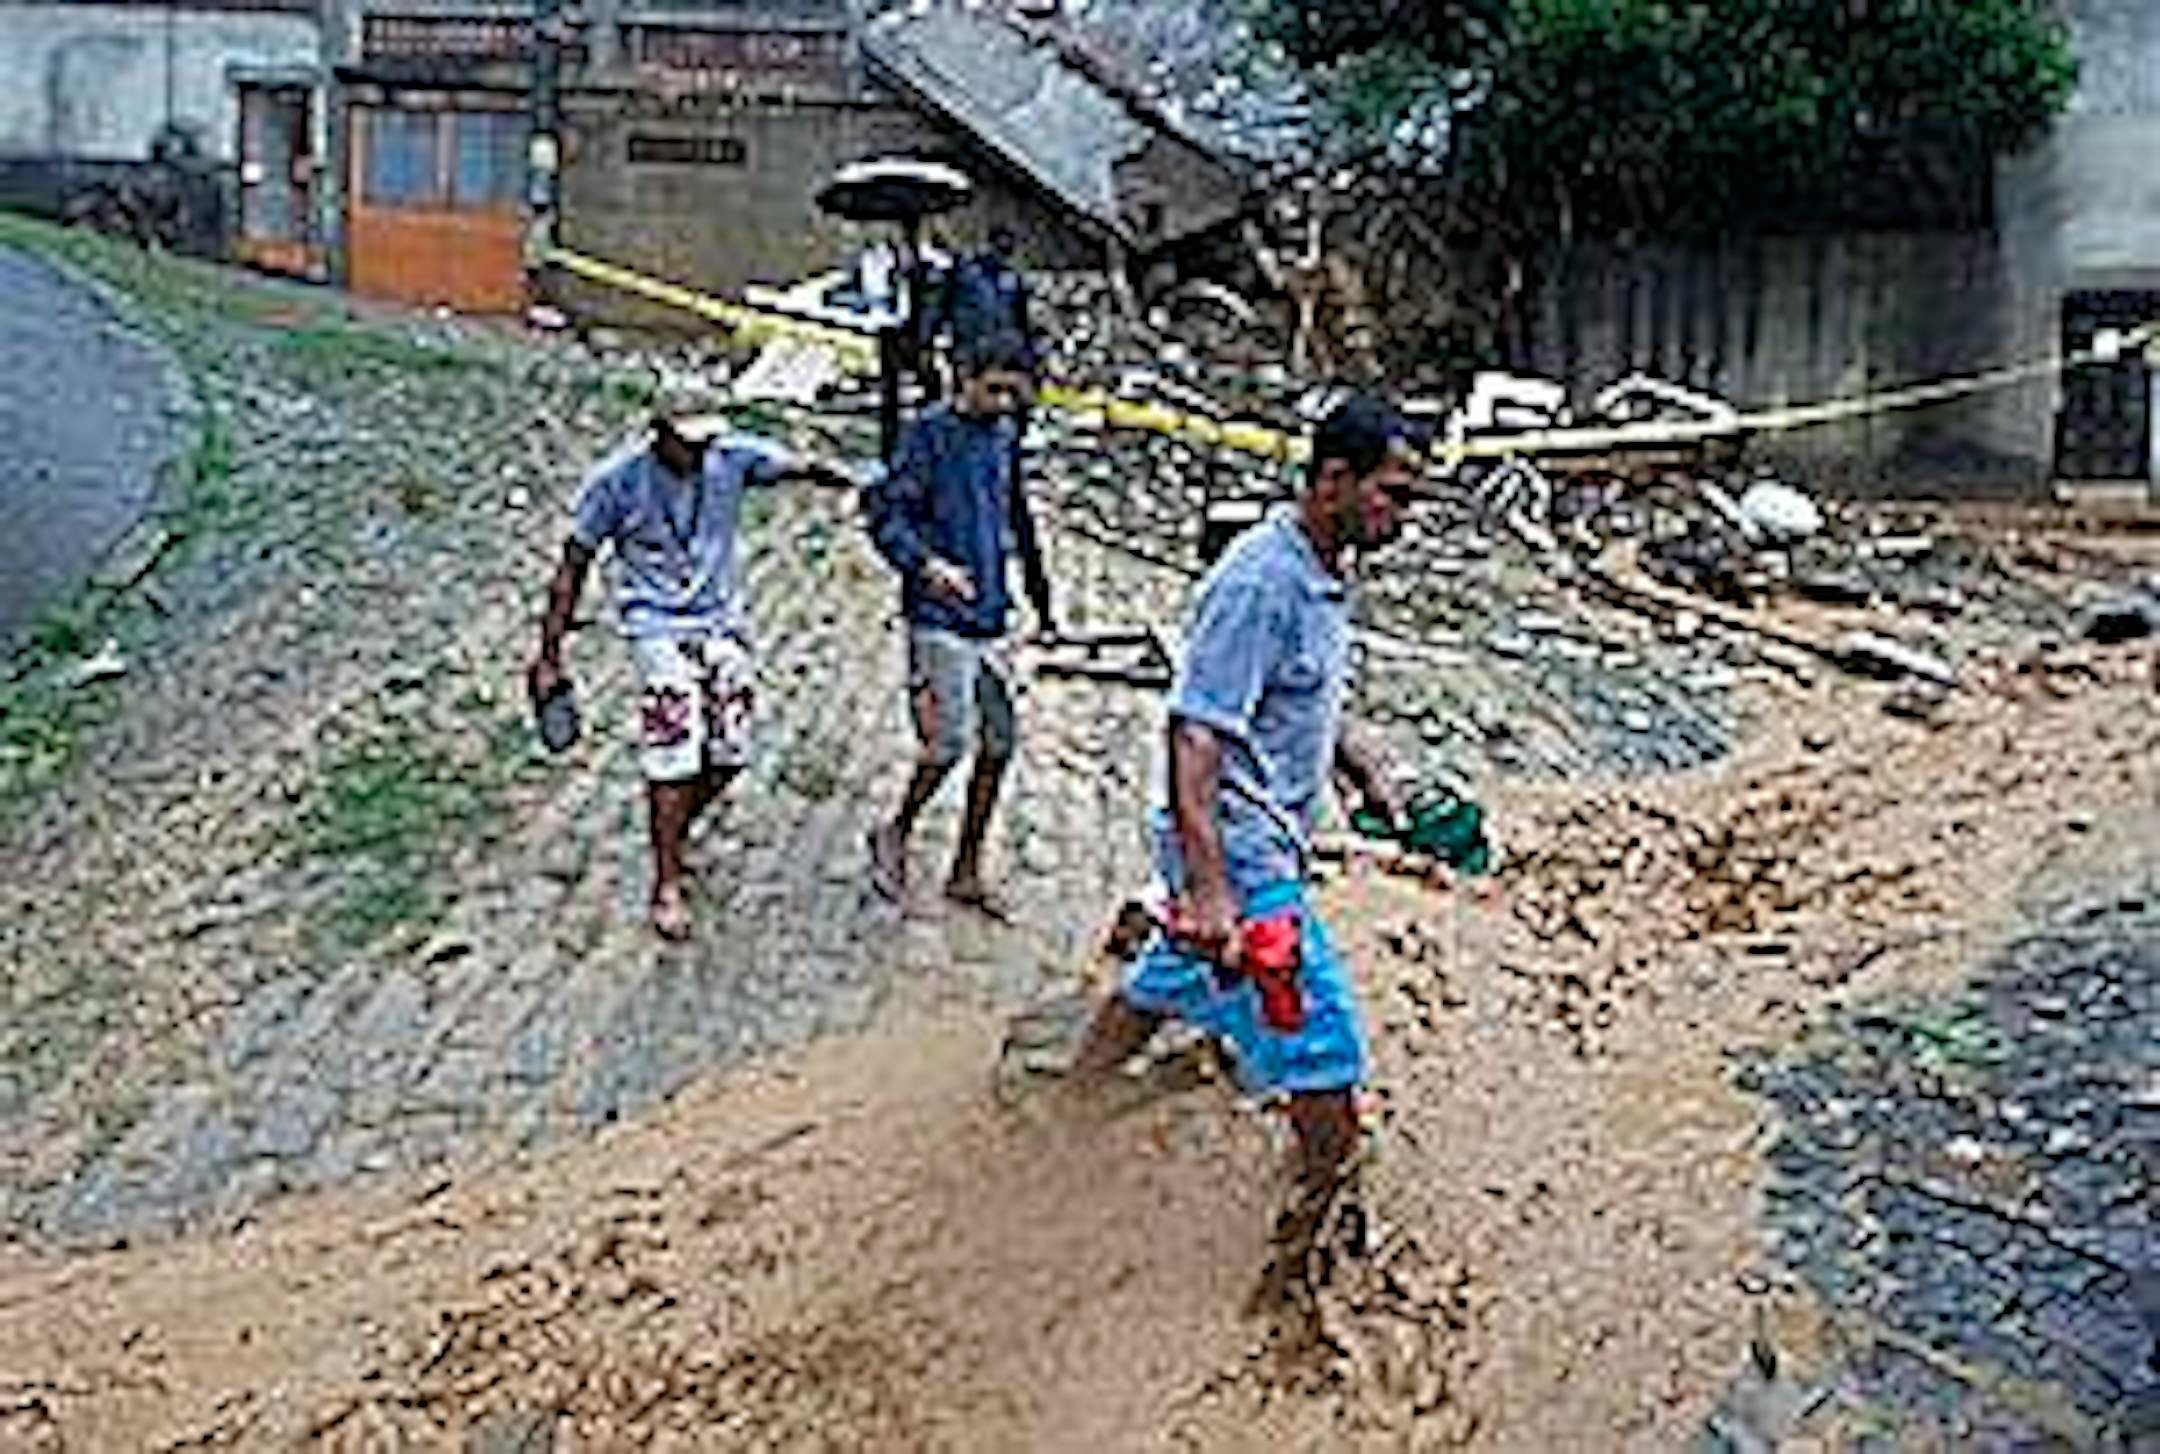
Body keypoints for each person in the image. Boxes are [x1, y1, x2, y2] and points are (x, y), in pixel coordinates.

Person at [1066, 394, 1420, 1208]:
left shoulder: (1325, 569)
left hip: (1260, 840)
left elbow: (1296, 692)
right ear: (1334, 480)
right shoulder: (1260, 583)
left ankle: (1068, 1101)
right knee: (1323, 1045)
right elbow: (1195, 734)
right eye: (1393, 495)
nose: (1404, 517)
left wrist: (1360, 764)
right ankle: (1323, 1225)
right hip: (1241, 853)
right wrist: (1213, 886)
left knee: (1169, 978)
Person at [528, 411, 851, 941]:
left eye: (707, 442)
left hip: (719, 625)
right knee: (674, 745)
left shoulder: (731, 457)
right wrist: (549, 655)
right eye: (687, 443)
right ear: (659, 434)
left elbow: (797, 467)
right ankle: (667, 879)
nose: (700, 453)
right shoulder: (613, 483)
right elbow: (571, 570)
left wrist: (849, 477)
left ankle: (674, 829)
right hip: (654, 628)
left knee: (732, 751)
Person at [864, 334, 1055, 915]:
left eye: (1010, 391)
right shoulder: (926, 436)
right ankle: (895, 830)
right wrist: (927, 566)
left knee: (999, 744)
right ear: (961, 376)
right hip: (937, 616)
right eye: (991, 387)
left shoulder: (1003, 436)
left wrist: (1042, 603)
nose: (1001, 401)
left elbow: (1017, 517)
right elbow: (884, 514)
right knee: (946, 744)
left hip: (990, 615)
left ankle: (966, 867)